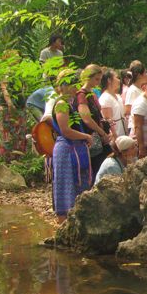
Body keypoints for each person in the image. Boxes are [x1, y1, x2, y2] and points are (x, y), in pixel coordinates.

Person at [51, 69, 93, 223]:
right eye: (74, 85)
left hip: (75, 148)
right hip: (66, 150)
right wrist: (86, 136)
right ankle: (63, 221)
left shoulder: (70, 104)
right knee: (66, 185)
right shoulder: (61, 104)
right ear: (66, 85)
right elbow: (65, 130)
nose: (77, 88)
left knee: (78, 184)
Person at [74, 64, 111, 179]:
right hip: (92, 137)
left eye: (100, 79)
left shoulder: (93, 93)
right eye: (96, 79)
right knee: (97, 167)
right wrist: (102, 133)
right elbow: (86, 119)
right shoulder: (81, 95)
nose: (98, 82)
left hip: (99, 134)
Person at [99, 69, 126, 140]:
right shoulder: (105, 98)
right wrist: (115, 137)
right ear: (109, 80)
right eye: (116, 78)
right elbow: (108, 120)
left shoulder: (118, 96)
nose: (119, 80)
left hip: (124, 132)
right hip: (116, 135)